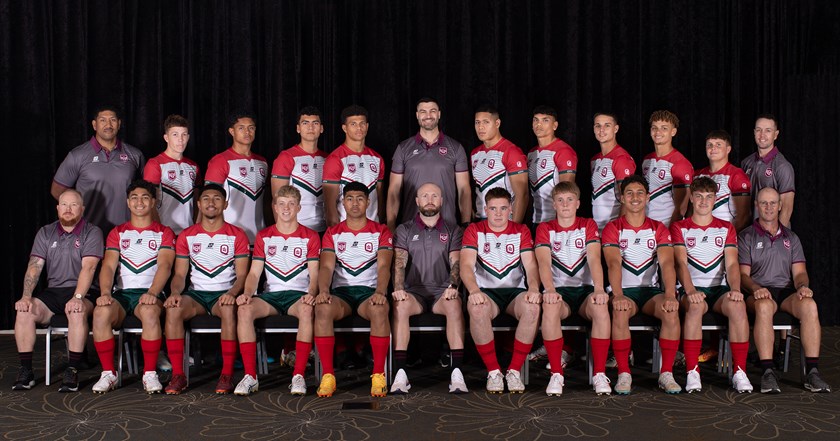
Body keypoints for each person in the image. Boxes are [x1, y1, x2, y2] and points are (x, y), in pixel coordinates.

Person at [739, 188, 830, 393]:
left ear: (780, 205)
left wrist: (802, 287)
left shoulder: (792, 237)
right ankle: (768, 372)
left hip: (785, 291)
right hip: (759, 292)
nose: (769, 207)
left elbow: (799, 273)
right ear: (756, 206)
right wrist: (756, 288)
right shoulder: (746, 236)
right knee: (763, 307)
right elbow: (743, 275)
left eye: (773, 203)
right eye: (764, 203)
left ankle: (813, 372)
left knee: (809, 305)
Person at [162, 184, 250, 395]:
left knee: (229, 310)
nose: (211, 203)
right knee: (173, 309)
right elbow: (180, 275)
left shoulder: (237, 235)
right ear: (199, 205)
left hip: (224, 294)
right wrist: (175, 293)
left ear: (225, 204)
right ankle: (178, 374)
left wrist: (232, 293)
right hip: (196, 296)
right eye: (207, 199)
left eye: (217, 198)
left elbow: (243, 275)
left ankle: (226, 374)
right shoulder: (187, 236)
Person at [13, 189, 103, 392]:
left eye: (73, 205)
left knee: (76, 310)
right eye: (64, 205)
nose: (68, 209)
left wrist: (78, 297)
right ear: (57, 208)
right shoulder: (46, 232)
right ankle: (26, 371)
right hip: (54, 292)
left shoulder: (92, 231)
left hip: (84, 291)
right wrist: (26, 296)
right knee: (24, 310)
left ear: (82, 208)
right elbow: (35, 266)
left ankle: (72, 369)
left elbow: (89, 267)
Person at [234, 185, 320, 396]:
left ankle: (298, 375)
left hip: (297, 296)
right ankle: (250, 376)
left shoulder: (310, 236)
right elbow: (254, 274)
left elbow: (316, 274)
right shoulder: (264, 236)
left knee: (308, 311)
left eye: (291, 204)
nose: (286, 208)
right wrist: (247, 293)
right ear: (274, 207)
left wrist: (311, 293)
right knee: (244, 310)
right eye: (281, 204)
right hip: (270, 297)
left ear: (299, 207)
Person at [91, 180, 176, 393]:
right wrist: (104, 293)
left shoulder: (164, 232)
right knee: (101, 313)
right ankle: (108, 373)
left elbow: (165, 266)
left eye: (145, 197)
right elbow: (109, 266)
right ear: (128, 203)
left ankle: (149, 373)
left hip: (149, 293)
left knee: (149, 312)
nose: (140, 202)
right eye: (135, 198)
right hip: (122, 294)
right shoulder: (117, 232)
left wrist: (153, 292)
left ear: (154, 202)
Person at [671, 177, 753, 393]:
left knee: (737, 306)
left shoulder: (726, 228)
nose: (703, 201)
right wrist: (690, 291)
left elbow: (733, 263)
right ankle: (692, 370)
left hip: (718, 289)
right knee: (695, 307)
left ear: (715, 199)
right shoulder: (680, 227)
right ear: (692, 199)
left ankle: (739, 371)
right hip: (692, 288)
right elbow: (680, 263)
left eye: (708, 197)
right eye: (699, 196)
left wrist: (735, 289)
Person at [602, 175, 681, 394]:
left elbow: (667, 264)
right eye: (629, 193)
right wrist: (617, 295)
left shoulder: (659, 228)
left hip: (651, 293)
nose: (635, 198)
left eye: (639, 193)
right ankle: (624, 373)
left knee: (671, 311)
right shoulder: (613, 228)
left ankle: (666, 373)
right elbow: (613, 263)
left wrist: (670, 294)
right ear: (622, 198)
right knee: (619, 311)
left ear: (648, 198)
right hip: (625, 291)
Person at [313, 182, 394, 397]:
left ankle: (378, 375)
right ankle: (328, 376)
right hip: (343, 295)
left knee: (379, 309)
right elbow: (327, 266)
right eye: (350, 198)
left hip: (369, 293)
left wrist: (380, 292)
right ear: (343, 203)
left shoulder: (381, 231)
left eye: (360, 198)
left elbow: (384, 265)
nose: (355, 203)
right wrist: (323, 290)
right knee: (322, 309)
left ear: (368, 202)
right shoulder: (333, 232)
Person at [460, 187, 541, 393]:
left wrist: (533, 288)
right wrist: (474, 290)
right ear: (485, 209)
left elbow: (531, 266)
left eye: (503, 208)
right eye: (493, 208)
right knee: (476, 308)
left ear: (510, 209)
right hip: (487, 291)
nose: (498, 213)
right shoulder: (474, 230)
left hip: (514, 292)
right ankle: (494, 371)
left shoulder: (520, 230)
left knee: (532, 307)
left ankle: (514, 371)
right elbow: (466, 266)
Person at [535, 182, 611, 395]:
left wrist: (598, 289)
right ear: (554, 205)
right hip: (560, 292)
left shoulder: (587, 224)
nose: (565, 204)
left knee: (601, 308)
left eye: (570, 200)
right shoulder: (545, 228)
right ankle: (556, 374)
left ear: (578, 203)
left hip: (586, 290)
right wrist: (549, 289)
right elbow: (543, 262)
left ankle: (599, 374)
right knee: (550, 308)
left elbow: (595, 259)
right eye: (560, 200)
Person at [390, 183, 467, 394]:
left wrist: (453, 286)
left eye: (435, 195)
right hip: (414, 292)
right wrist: (398, 288)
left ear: (442, 201)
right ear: (417, 201)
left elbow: (456, 262)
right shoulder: (404, 229)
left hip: (442, 292)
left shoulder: (453, 230)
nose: (430, 199)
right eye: (424, 196)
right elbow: (399, 262)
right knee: (400, 305)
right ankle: (400, 373)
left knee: (454, 304)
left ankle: (457, 373)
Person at [52, 105, 145, 234]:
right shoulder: (77, 155)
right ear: (94, 125)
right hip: (88, 234)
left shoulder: (135, 155)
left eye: (112, 120)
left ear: (119, 124)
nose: (108, 124)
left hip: (127, 233)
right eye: (103, 120)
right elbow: (57, 191)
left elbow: (145, 192)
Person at [387, 97, 472, 231]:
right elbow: (394, 190)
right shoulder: (403, 148)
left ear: (439, 114)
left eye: (432, 111)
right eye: (423, 111)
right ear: (417, 115)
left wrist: (466, 224)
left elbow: (464, 189)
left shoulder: (456, 148)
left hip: (448, 227)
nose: (428, 115)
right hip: (411, 228)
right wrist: (391, 226)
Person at [205, 112, 269, 243]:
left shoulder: (262, 162)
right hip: (228, 237)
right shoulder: (220, 160)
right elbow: (207, 201)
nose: (247, 132)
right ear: (231, 131)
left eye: (251, 128)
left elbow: (267, 201)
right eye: (241, 128)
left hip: (259, 236)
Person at [323, 105, 386, 226]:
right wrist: (336, 233)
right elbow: (329, 205)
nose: (359, 128)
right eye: (353, 124)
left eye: (362, 123)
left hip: (373, 229)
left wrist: (380, 225)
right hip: (345, 231)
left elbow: (379, 198)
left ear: (367, 126)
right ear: (344, 128)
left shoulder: (377, 159)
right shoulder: (335, 159)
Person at [270, 106, 329, 233]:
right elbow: (277, 199)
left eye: (315, 123)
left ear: (322, 128)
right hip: (296, 230)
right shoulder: (286, 157)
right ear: (298, 128)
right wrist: (282, 233)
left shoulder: (328, 159)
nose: (310, 127)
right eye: (305, 123)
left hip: (325, 229)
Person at [470, 106, 529, 223]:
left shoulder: (511, 151)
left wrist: (514, 229)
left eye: (486, 122)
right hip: (480, 221)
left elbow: (522, 195)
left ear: (497, 123)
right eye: (477, 122)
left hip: (504, 221)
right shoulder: (475, 153)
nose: (480, 127)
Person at [143, 114, 200, 235]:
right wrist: (161, 232)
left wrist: (195, 228)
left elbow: (197, 202)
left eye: (184, 134)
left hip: (188, 233)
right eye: (175, 135)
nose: (180, 139)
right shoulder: (155, 164)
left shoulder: (193, 166)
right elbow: (149, 202)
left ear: (188, 137)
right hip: (164, 232)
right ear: (166, 137)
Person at [741, 114, 795, 227]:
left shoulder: (782, 166)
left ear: (775, 135)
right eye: (758, 130)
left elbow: (786, 209)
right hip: (749, 235)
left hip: (772, 236)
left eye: (768, 131)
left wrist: (775, 239)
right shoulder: (746, 163)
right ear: (754, 132)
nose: (762, 135)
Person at [641, 110, 693, 227]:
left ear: (673, 132)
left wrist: (670, 234)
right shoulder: (647, 160)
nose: (658, 132)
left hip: (666, 227)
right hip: (646, 225)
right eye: (654, 128)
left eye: (664, 128)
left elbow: (682, 208)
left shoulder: (680, 163)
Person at [527, 105, 577, 225]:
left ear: (555, 125)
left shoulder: (563, 151)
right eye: (536, 120)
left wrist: (560, 224)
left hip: (555, 222)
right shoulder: (531, 153)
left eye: (545, 120)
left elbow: (567, 191)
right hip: (535, 221)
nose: (539, 125)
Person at [694, 130, 752, 232]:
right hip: (699, 237)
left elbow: (743, 216)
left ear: (728, 149)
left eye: (718, 145)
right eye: (709, 145)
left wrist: (728, 241)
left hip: (724, 238)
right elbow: (691, 211)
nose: (713, 148)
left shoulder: (736, 175)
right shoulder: (697, 175)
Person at [590, 112, 636, 231]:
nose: (602, 130)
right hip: (597, 228)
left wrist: (617, 229)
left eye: (607, 125)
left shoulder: (621, 159)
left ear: (615, 129)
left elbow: (628, 199)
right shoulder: (595, 160)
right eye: (598, 126)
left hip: (615, 229)